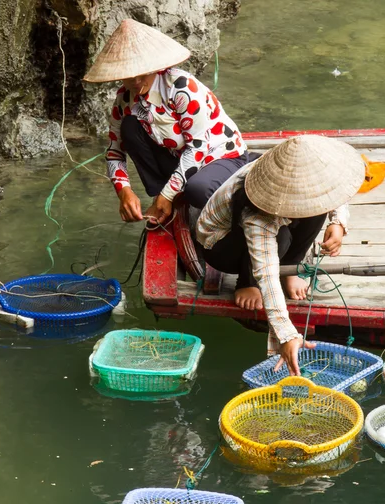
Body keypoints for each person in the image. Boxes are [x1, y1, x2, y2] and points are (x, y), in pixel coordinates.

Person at [196, 135, 365, 375]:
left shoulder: (307, 174)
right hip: (221, 245)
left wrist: (338, 223)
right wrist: (286, 334)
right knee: (281, 238)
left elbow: (331, 188)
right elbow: (266, 272)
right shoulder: (258, 214)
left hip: (263, 232)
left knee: (316, 209)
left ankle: (291, 266)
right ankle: (245, 282)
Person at [83, 19, 251, 224]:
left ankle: (172, 197)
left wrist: (168, 194)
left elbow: (197, 148)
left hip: (219, 155)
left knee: (197, 191)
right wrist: (123, 190)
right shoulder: (123, 100)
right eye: (128, 77)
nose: (136, 82)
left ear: (154, 67)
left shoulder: (182, 88)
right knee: (130, 126)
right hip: (178, 156)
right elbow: (114, 152)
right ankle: (164, 198)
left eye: (142, 74)